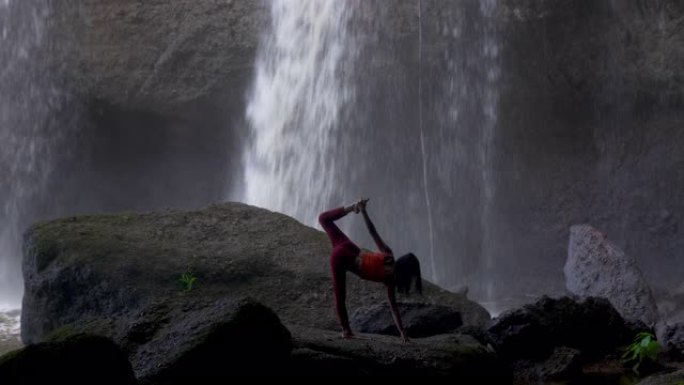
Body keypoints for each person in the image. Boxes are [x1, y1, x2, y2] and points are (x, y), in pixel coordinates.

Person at [318, 198, 422, 342]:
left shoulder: (389, 255)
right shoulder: (390, 279)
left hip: (347, 246)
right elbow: (393, 308)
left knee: (323, 219)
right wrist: (402, 332)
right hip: (343, 259)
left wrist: (364, 211)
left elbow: (372, 231)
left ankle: (352, 206)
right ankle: (346, 330)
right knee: (340, 296)